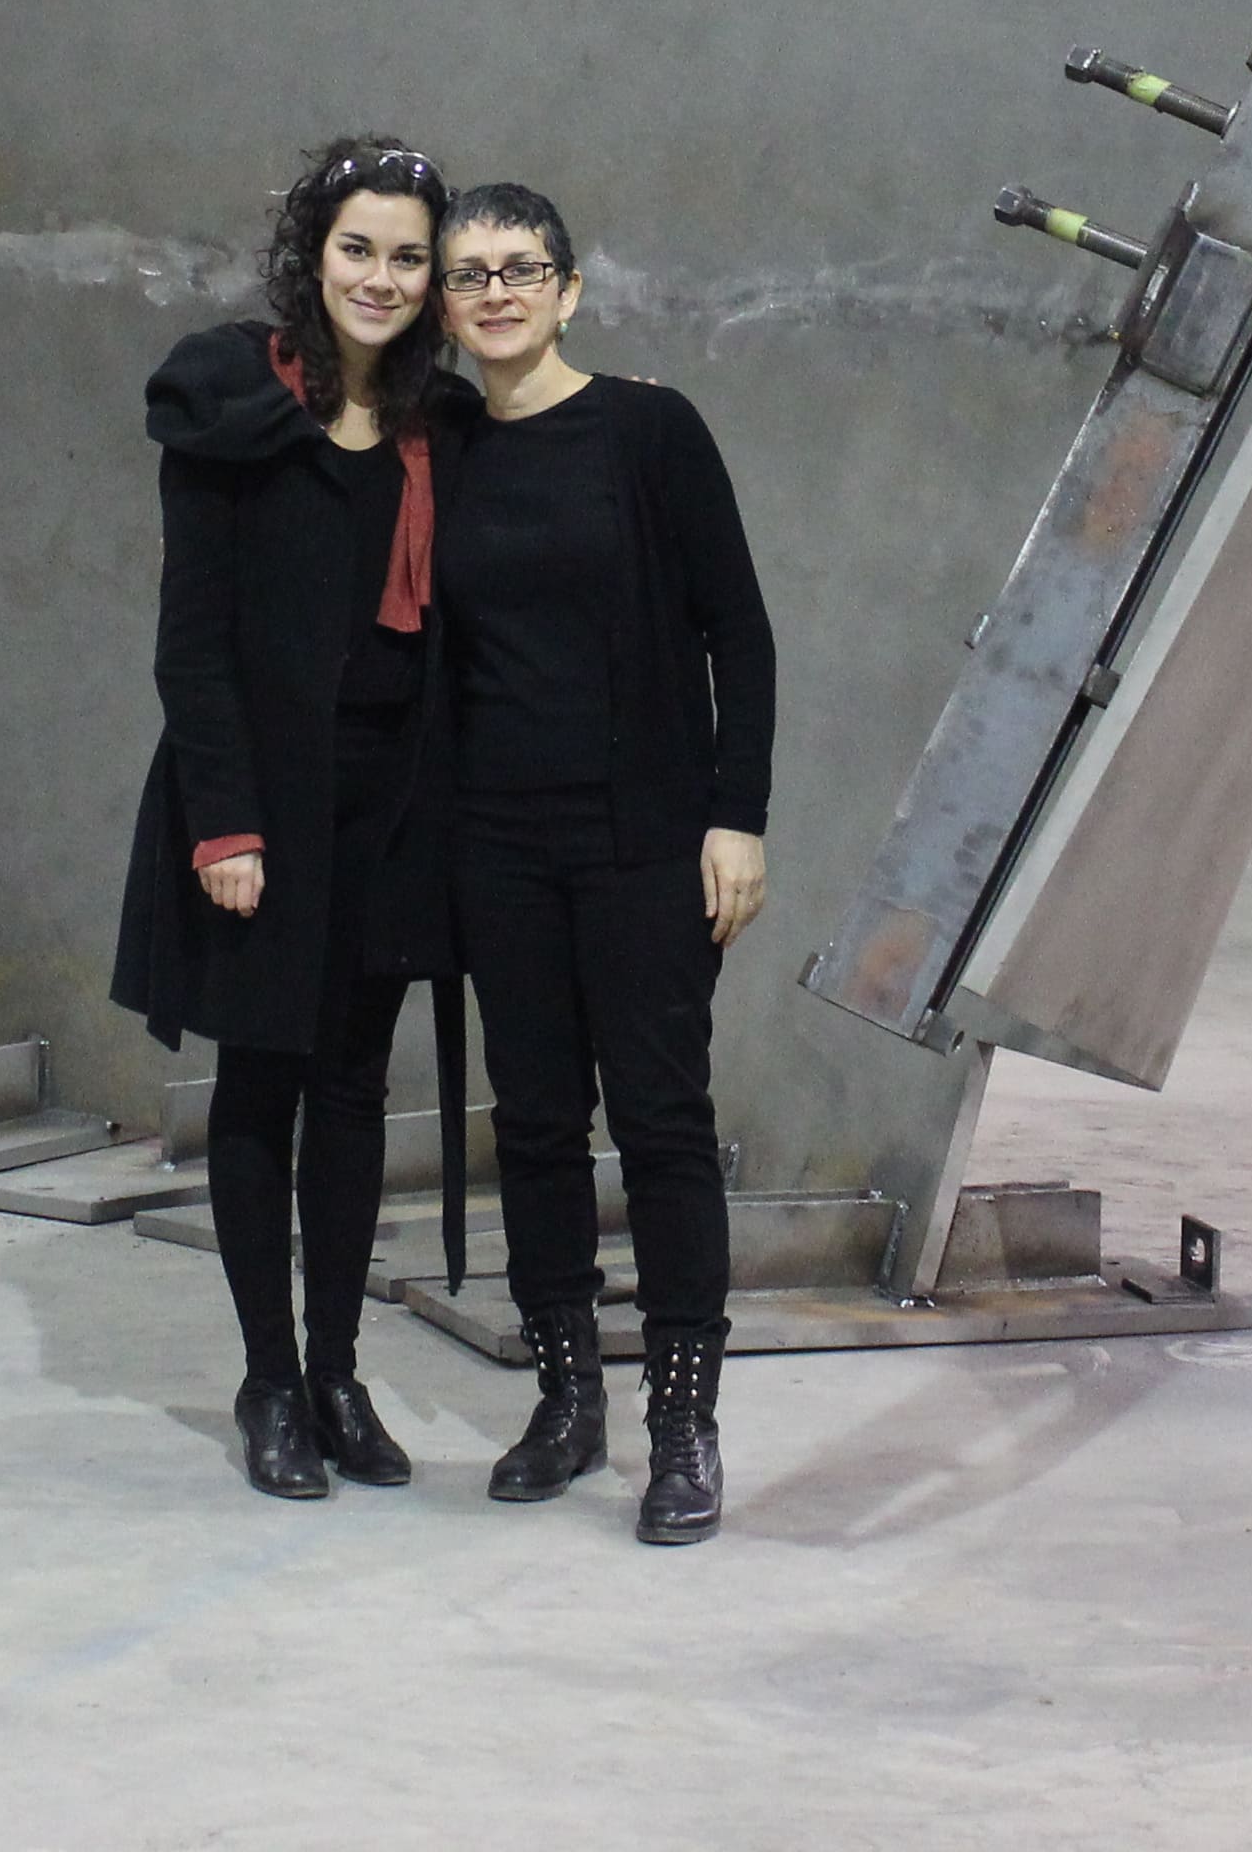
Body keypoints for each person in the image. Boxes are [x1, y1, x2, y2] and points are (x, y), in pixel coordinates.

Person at [109, 136, 462, 1503]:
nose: (381, 277)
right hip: (263, 803)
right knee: (261, 1085)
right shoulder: (233, 403)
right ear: (313, 254)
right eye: (357, 248)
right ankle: (267, 1381)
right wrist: (224, 827)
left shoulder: (439, 422)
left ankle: (337, 1373)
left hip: (393, 803)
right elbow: (190, 643)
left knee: (357, 1090)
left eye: (408, 256)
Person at [432, 181, 774, 1549]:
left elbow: (738, 633)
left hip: (642, 840)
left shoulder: (648, 431)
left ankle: (682, 1426)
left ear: (569, 291)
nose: (496, 292)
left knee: (661, 1123)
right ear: (445, 305)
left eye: (521, 269)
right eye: (470, 274)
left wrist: (736, 816)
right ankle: (567, 1400)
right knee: (532, 1126)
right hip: (496, 844)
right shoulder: (441, 444)